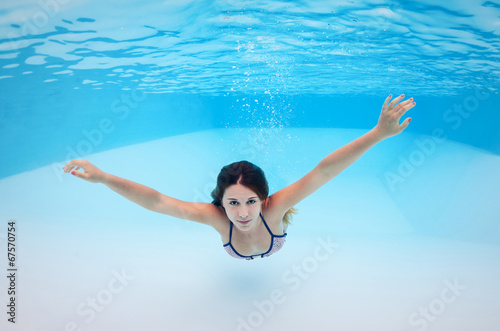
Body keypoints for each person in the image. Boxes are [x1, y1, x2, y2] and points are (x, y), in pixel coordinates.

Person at [63, 94, 415, 260]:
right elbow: (156, 201)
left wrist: (377, 134)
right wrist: (105, 178)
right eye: (233, 203)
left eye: (250, 202)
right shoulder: (216, 218)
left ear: (263, 200)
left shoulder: (274, 209)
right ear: (220, 201)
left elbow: (323, 171)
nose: (243, 213)